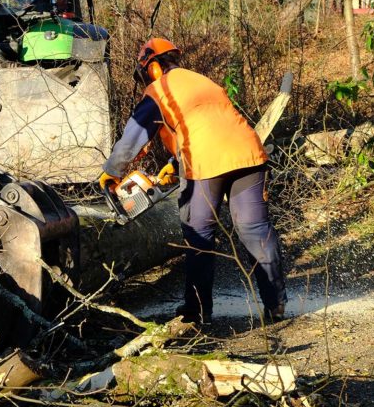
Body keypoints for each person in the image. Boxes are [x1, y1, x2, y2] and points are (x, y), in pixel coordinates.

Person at [99, 37, 287, 326]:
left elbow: (134, 135)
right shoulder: (202, 81)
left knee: (199, 234)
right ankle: (276, 304)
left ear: (152, 67)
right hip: (249, 154)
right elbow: (208, 126)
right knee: (255, 228)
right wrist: (175, 164)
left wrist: (112, 171)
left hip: (204, 162)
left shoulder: (159, 89)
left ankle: (197, 311)